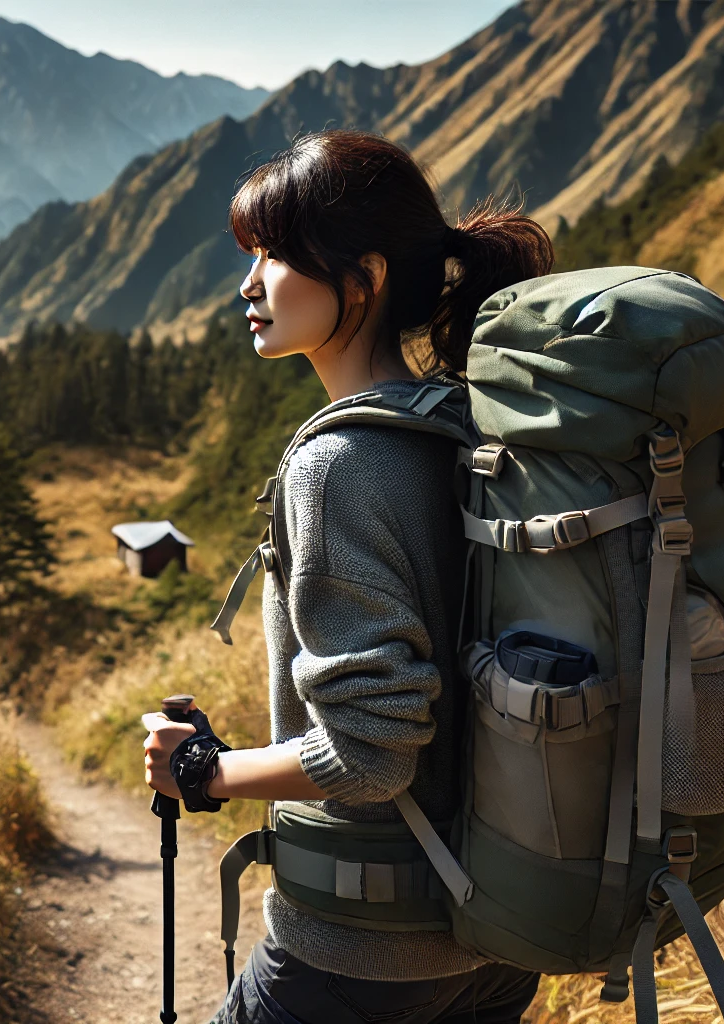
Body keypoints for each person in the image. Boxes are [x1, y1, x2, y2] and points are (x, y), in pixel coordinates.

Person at [141, 129, 554, 1024]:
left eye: (275, 256)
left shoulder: (340, 465)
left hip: (365, 946)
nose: (248, 285)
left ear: (363, 277)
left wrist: (207, 772)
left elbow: (369, 753)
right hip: (495, 933)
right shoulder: (461, 422)